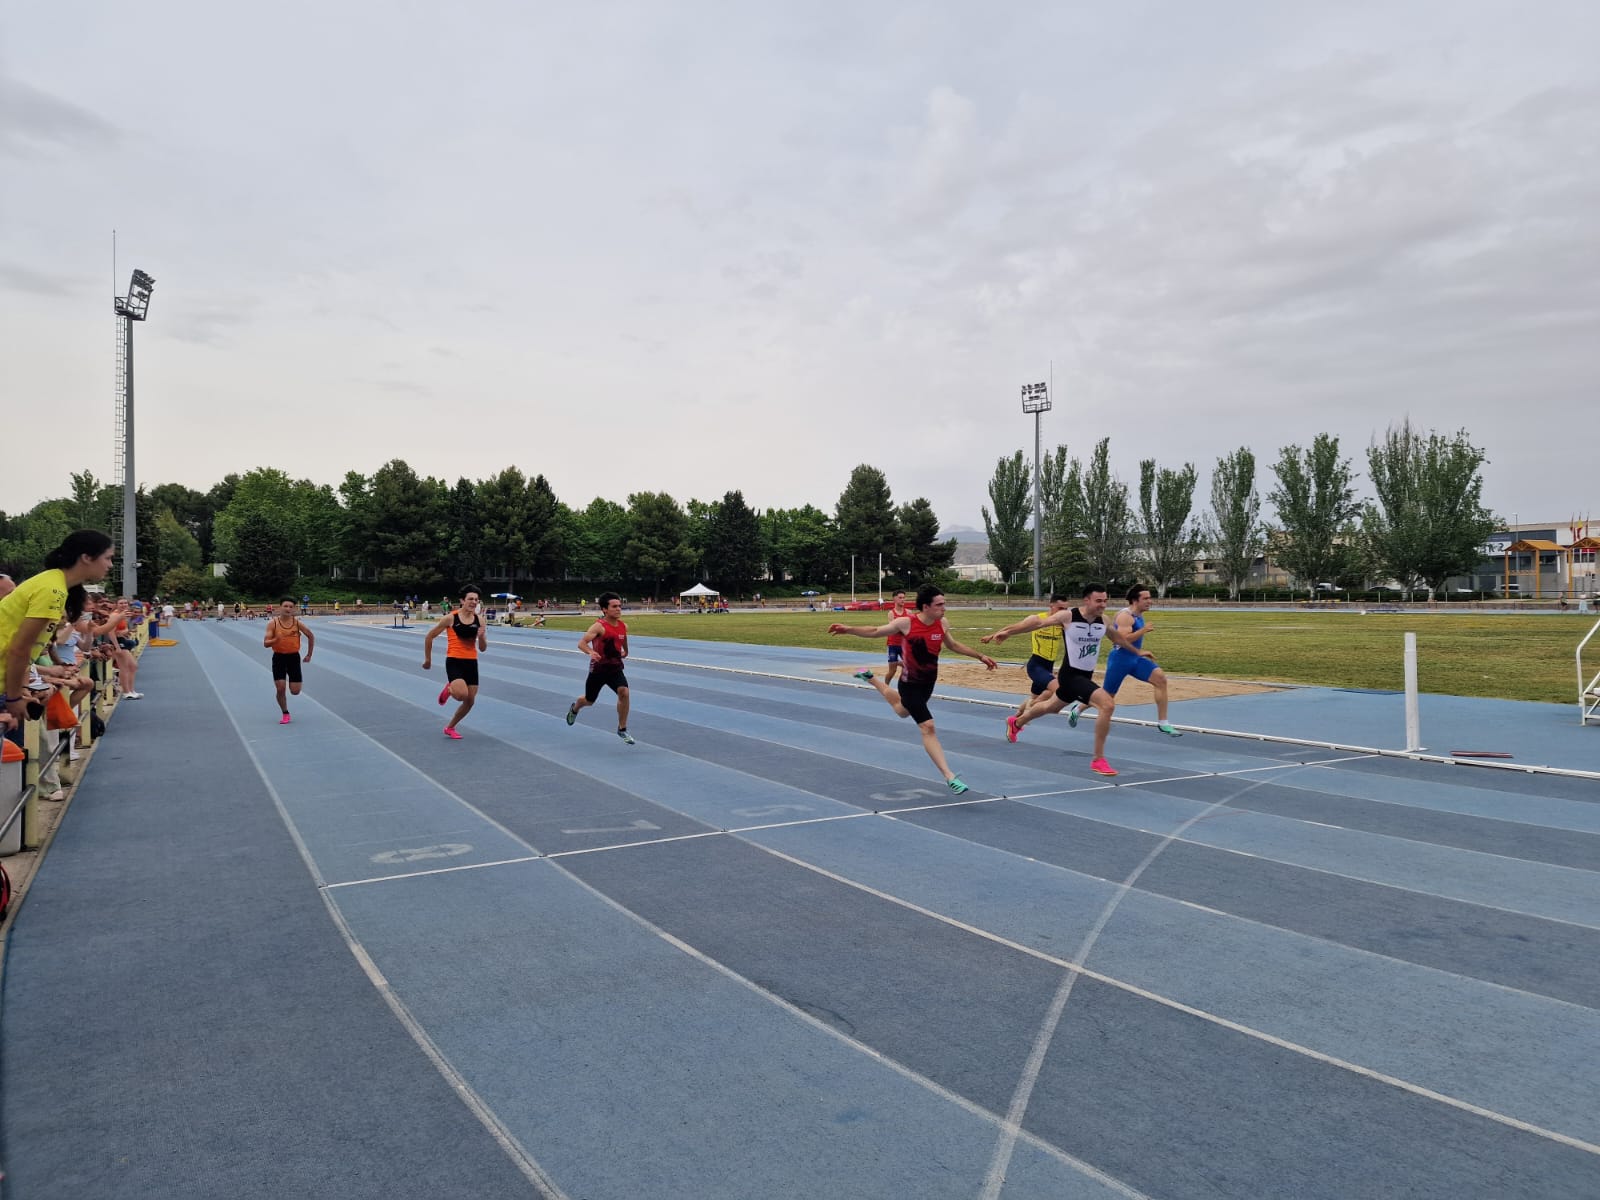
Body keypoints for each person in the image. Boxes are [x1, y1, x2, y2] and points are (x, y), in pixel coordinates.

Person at [830, 583, 996, 794]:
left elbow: (953, 646)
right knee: (927, 726)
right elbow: (875, 631)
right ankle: (949, 776)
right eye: (940, 604)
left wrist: (980, 656)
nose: (944, 608)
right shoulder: (906, 623)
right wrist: (848, 629)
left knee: (902, 711)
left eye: (944, 604)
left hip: (928, 683)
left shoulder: (942, 623)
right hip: (909, 683)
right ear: (926, 607)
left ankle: (871, 678)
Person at [983, 582, 1152, 777]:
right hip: (1071, 675)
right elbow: (1036, 623)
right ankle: (1098, 760)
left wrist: (1137, 652)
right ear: (1086, 600)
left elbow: (1118, 639)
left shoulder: (1103, 620)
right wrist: (1007, 632)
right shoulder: (1068, 616)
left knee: (1051, 707)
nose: (1103, 605)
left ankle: (1017, 722)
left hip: (1084, 675)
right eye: (1099, 601)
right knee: (1107, 704)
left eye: (1105, 601)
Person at [1, 531, 115, 730]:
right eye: (108, 558)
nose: (110, 565)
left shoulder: (54, 584)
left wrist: (20, 689)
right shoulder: (52, 590)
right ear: (86, 557)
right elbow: (20, 648)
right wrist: (14, 697)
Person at [1087, 586, 1183, 737]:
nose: (1149, 601)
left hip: (1135, 659)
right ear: (1135, 600)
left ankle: (1163, 723)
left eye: (1149, 598)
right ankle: (1078, 708)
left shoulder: (1138, 614)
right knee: (1107, 696)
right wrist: (1143, 630)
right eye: (1145, 598)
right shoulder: (1125, 616)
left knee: (1160, 679)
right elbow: (1123, 639)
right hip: (1120, 660)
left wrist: (1139, 651)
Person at [566, 592, 634, 742]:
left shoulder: (623, 626)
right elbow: (581, 643)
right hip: (598, 670)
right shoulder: (599, 627)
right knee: (589, 701)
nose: (618, 609)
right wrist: (590, 651)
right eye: (614, 606)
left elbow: (623, 637)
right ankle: (575, 707)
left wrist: (626, 650)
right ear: (605, 609)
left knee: (624, 692)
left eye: (619, 606)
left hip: (615, 668)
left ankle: (622, 729)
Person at [424, 586, 486, 739]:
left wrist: (482, 637)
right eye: (470, 599)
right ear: (462, 600)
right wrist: (428, 659)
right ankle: (450, 689)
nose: (473, 602)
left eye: (476, 600)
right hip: (454, 660)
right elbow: (429, 637)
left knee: (470, 701)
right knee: (461, 695)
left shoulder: (480, 620)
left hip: (471, 662)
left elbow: (483, 648)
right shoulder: (450, 618)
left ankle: (450, 727)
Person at [1014, 593, 1071, 719]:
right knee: (1057, 689)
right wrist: (999, 634)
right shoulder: (1038, 619)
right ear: (1051, 606)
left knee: (1036, 696)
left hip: (1048, 666)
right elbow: (1017, 627)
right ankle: (1030, 709)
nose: (1063, 612)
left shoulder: (1063, 624)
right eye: (1060, 608)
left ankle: (1015, 718)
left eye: (1066, 609)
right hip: (1036, 665)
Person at [264, 597, 315, 724]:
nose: (288, 609)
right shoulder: (273, 623)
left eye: (291, 607)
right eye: (285, 606)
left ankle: (291, 690)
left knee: (295, 691)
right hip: (279, 657)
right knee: (280, 688)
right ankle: (285, 713)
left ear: (294, 609)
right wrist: (276, 640)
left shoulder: (297, 623)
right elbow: (265, 643)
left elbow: (310, 635)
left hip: (293, 658)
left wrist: (309, 654)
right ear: (280, 607)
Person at [882, 589, 914, 686]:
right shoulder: (891, 613)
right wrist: (903, 629)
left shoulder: (908, 612)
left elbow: (911, 627)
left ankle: (907, 686)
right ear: (894, 599)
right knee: (892, 670)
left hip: (904, 645)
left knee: (910, 667)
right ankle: (886, 685)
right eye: (900, 598)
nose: (902, 600)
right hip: (893, 644)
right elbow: (893, 628)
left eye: (904, 598)